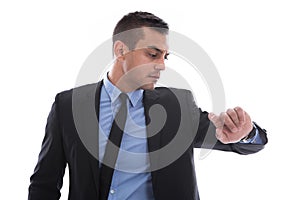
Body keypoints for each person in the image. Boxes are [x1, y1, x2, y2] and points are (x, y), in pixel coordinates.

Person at [28, 11, 268, 200]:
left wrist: (245, 134)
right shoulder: (68, 105)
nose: (162, 65)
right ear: (121, 50)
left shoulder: (177, 107)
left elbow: (240, 142)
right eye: (153, 55)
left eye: (165, 56)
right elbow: (44, 184)